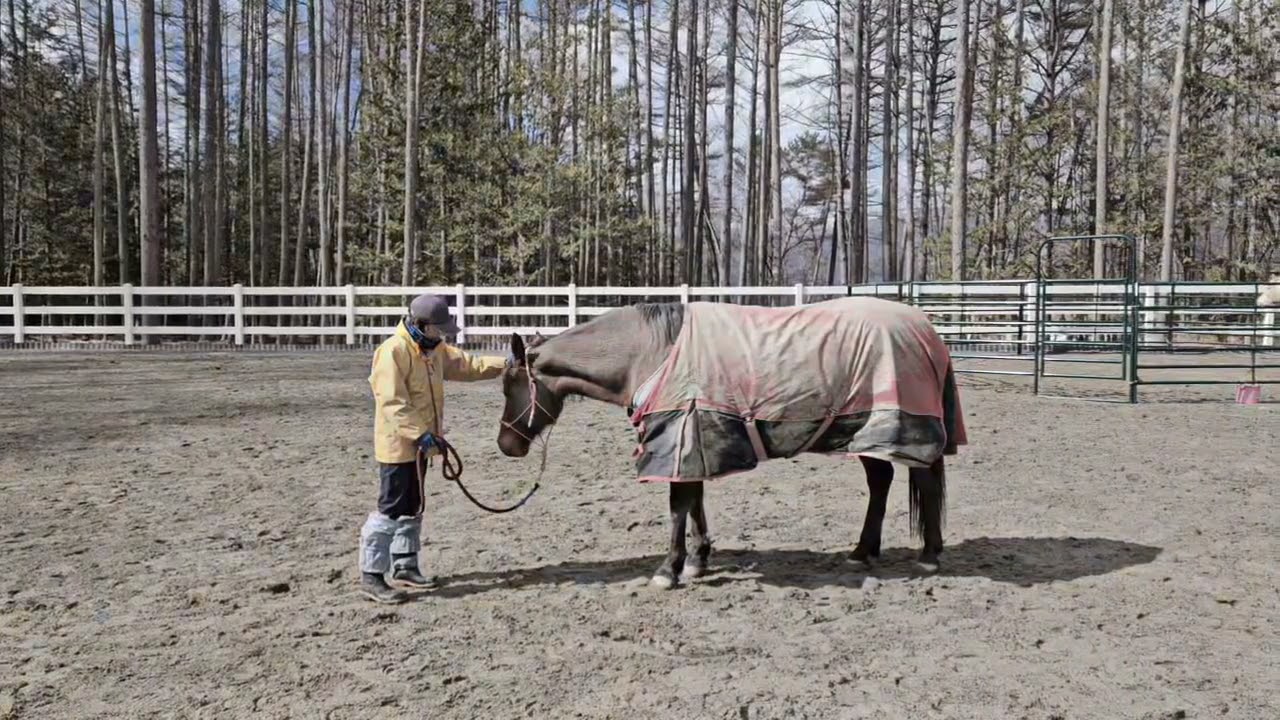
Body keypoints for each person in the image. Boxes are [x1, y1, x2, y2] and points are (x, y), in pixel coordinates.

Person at [360, 293, 509, 604]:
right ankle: (372, 575)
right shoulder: (392, 352)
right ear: (421, 325)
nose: (442, 335)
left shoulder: (433, 351)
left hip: (421, 446)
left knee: (414, 505)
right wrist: (419, 434)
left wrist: (504, 364)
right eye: (438, 329)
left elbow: (468, 365)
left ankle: (405, 565)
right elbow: (392, 402)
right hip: (398, 447)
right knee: (391, 509)